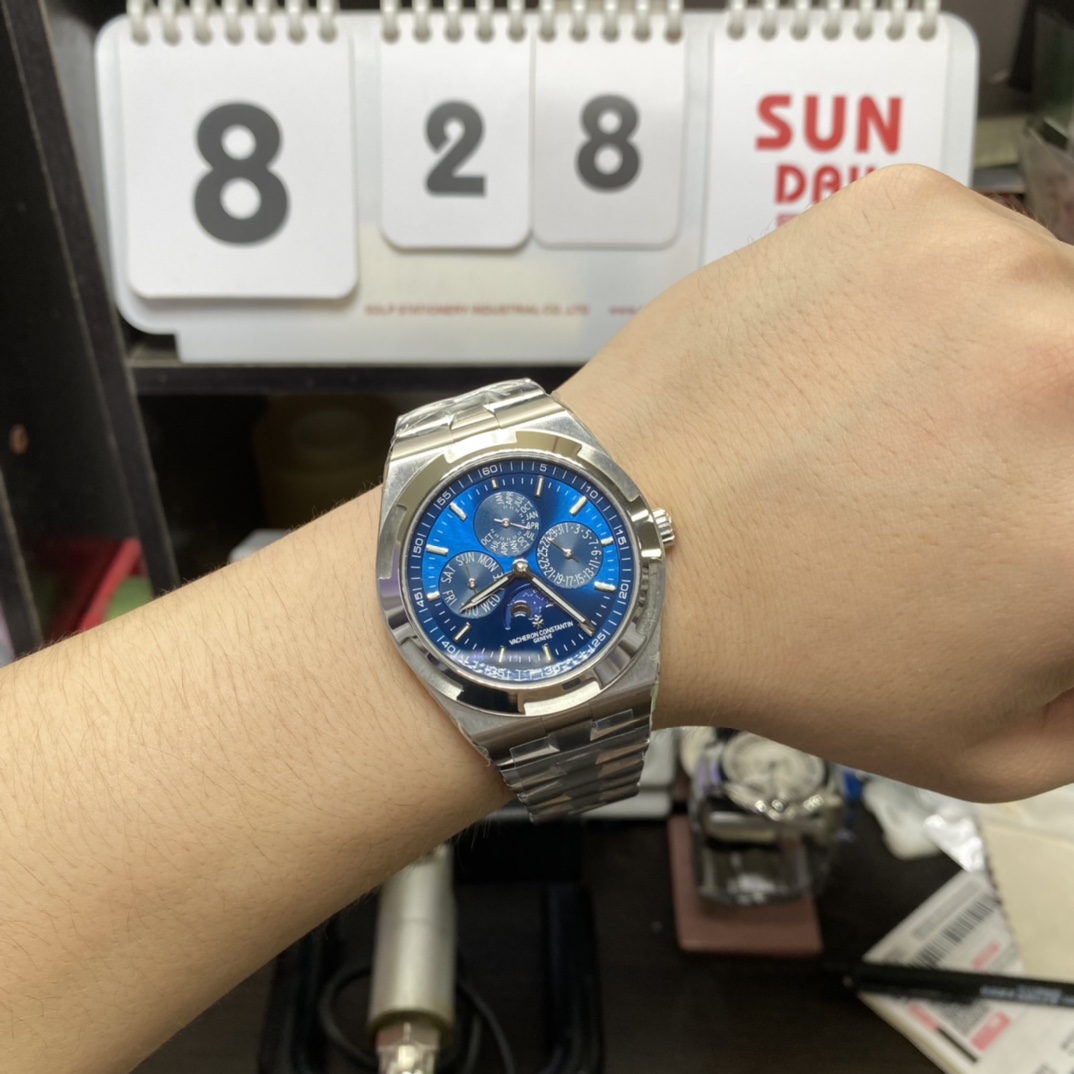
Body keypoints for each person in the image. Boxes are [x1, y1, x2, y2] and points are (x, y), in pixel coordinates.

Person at [4, 165, 1074, 1073]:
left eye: (566, 548)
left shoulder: (605, 550)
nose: (526, 561)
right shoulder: (445, 562)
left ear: (643, 535)